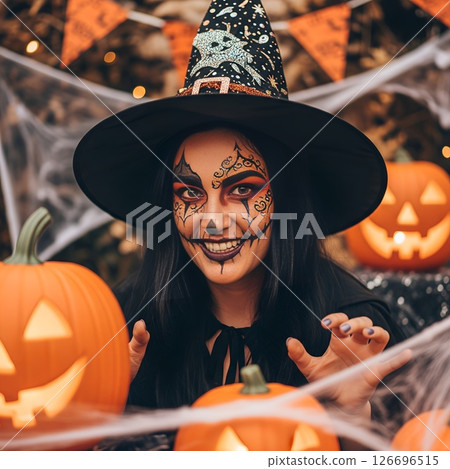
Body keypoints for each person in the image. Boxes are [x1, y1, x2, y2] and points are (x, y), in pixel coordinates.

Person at [73, 0, 409, 427]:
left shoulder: (352, 332)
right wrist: (104, 408)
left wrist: (350, 413)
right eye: (190, 192)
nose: (212, 219)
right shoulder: (122, 324)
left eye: (243, 190)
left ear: (285, 196)